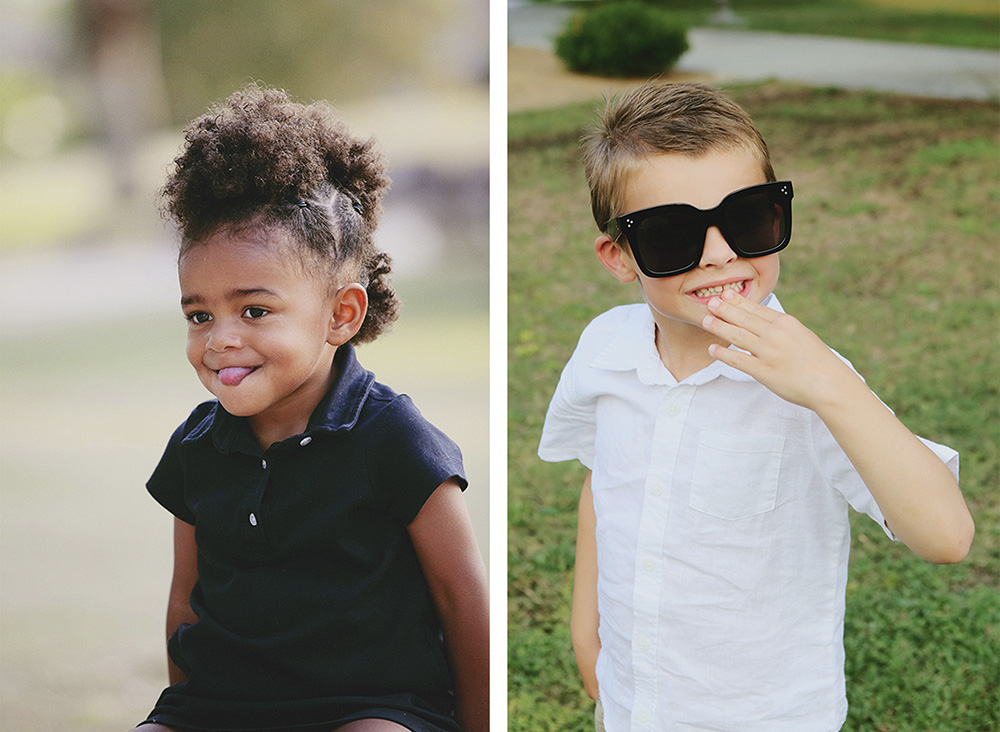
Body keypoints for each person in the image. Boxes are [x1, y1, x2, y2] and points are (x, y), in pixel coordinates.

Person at [538, 82, 974, 732]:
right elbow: (608, 482)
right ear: (620, 256)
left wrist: (831, 387)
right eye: (669, 234)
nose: (720, 254)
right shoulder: (605, 351)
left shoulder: (815, 385)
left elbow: (946, 537)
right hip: (635, 706)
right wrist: (586, 636)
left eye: (747, 219)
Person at [130, 84, 488, 732]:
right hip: (223, 707)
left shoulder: (394, 440)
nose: (221, 338)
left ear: (340, 315)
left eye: (255, 310)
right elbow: (185, 601)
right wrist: (184, 712)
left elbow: (462, 600)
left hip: (371, 707)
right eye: (199, 314)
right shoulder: (195, 448)